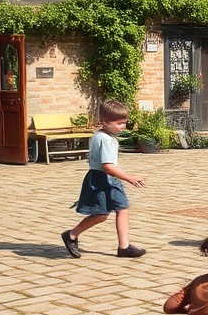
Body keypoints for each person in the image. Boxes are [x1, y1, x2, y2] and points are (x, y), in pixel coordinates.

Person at [60, 100, 147, 259]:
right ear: (104, 122)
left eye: (124, 123)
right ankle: (71, 235)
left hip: (109, 179)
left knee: (122, 208)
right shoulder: (105, 139)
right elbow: (107, 166)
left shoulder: (101, 134)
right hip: (102, 180)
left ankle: (124, 247)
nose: (123, 127)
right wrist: (129, 178)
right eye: (120, 123)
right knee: (101, 215)